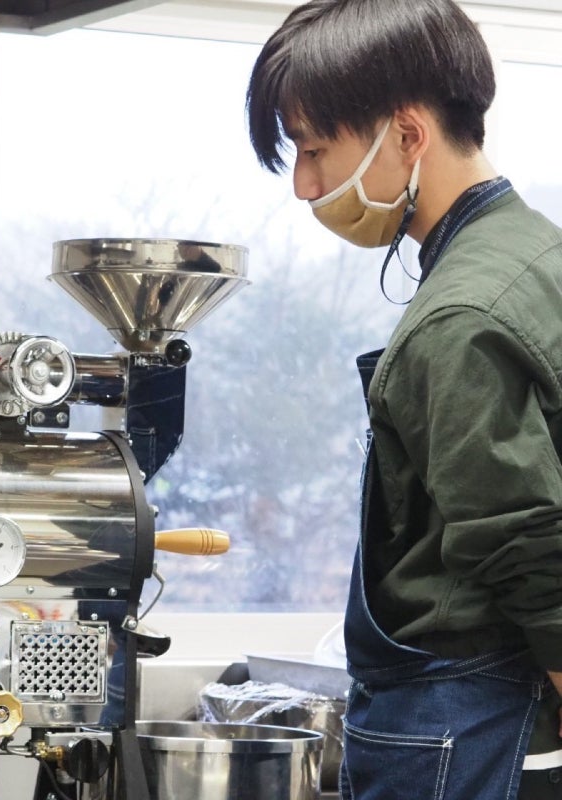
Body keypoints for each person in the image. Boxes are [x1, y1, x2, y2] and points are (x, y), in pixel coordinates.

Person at [245, 1, 562, 798]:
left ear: (409, 134)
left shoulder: (460, 313)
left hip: (466, 721)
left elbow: (522, 537)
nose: (304, 185)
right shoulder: (537, 254)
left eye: (314, 149)